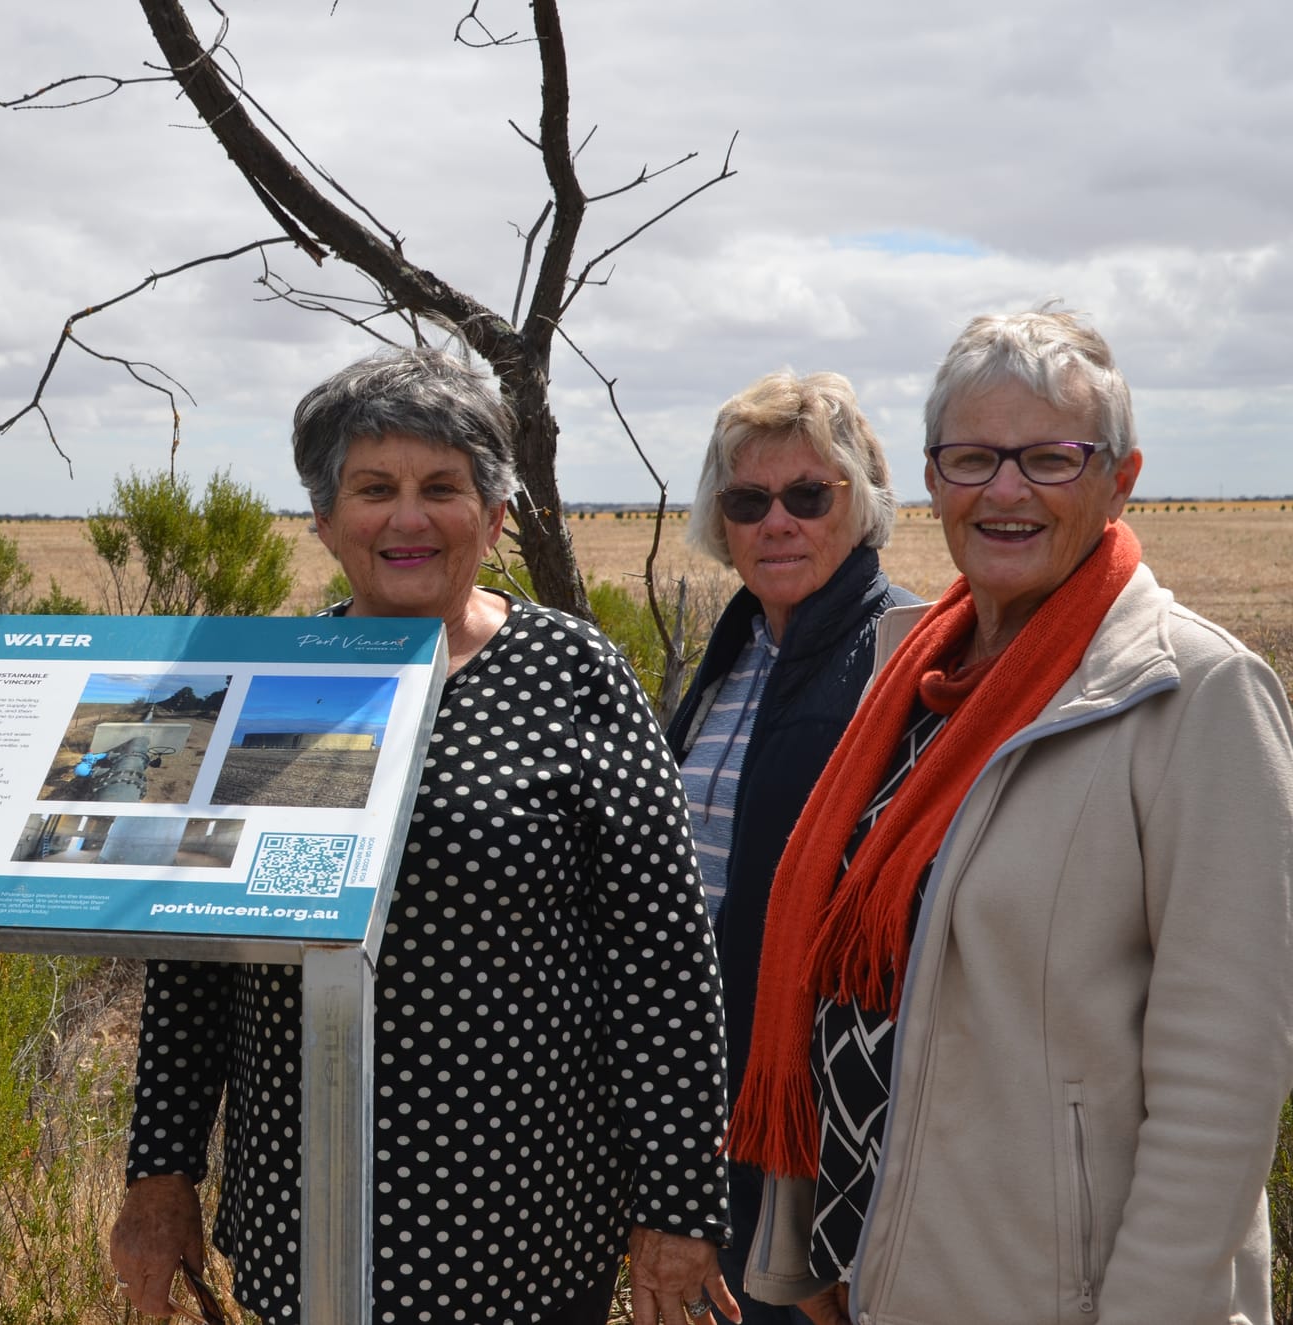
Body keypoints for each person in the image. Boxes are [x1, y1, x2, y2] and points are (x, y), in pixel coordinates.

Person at [111, 347, 738, 1325]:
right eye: (373, 488)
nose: (407, 517)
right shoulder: (268, 685)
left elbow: (660, 957)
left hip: (525, 1234)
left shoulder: (572, 673)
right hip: (302, 1224)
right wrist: (159, 1180)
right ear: (323, 519)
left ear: (491, 515)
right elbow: (195, 961)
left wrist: (676, 1204)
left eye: (440, 486)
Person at [726, 306, 1293, 1323]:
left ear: (1118, 478)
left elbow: (1223, 1072)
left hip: (1046, 1293)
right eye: (973, 457)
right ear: (933, 481)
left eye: (1047, 459)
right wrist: (811, 1242)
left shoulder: (1193, 692)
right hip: (877, 1270)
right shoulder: (911, 678)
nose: (1003, 491)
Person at [663, 371, 915, 1324]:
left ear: (865, 503)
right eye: (747, 500)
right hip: (708, 1103)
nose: (778, 522)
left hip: (818, 1139)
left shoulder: (906, 653)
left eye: (809, 496)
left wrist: (833, 1216)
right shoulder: (736, 649)